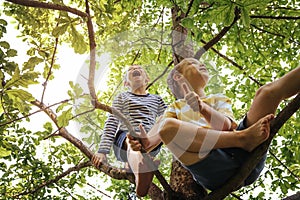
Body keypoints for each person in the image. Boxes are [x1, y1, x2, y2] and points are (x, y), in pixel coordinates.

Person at [128, 58, 300, 191]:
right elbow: (155, 139)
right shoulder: (175, 108)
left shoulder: (217, 99)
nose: (201, 64)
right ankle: (242, 138)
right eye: (193, 63)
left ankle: (242, 138)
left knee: (266, 93)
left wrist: (203, 109)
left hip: (244, 149)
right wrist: (143, 143)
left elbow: (227, 127)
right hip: (212, 168)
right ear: (178, 76)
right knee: (168, 127)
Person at [92, 65, 167, 197]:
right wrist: (102, 151)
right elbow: (112, 122)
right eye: (131, 69)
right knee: (132, 139)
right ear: (126, 82)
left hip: (151, 139)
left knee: (167, 118)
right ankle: (141, 174)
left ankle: (136, 166)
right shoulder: (122, 97)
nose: (135, 68)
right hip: (126, 138)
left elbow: (169, 116)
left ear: (147, 79)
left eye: (139, 68)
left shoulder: (156, 99)